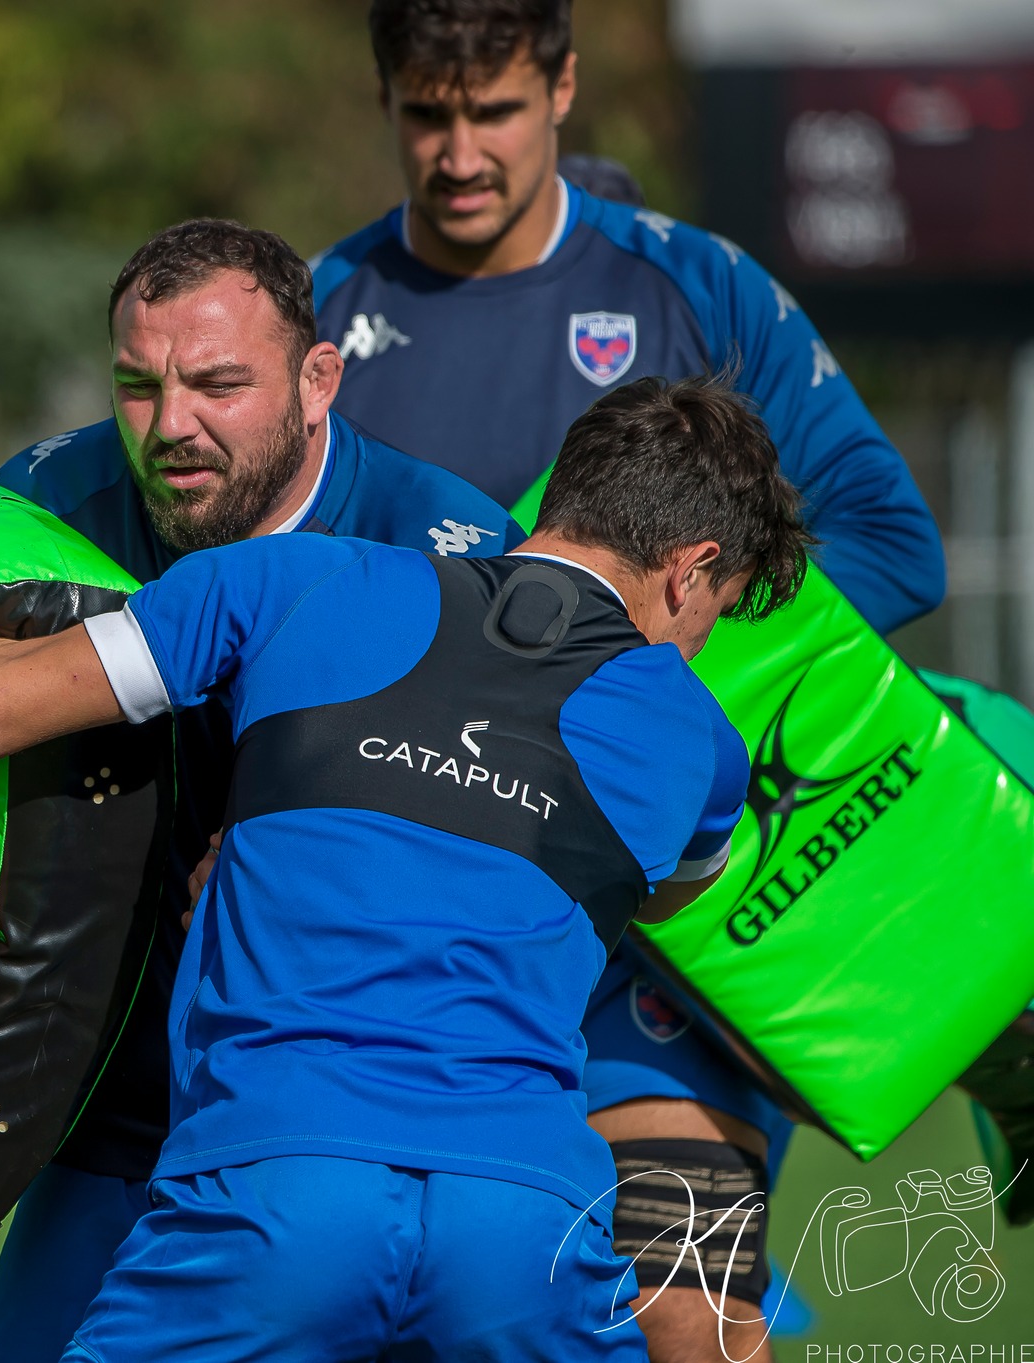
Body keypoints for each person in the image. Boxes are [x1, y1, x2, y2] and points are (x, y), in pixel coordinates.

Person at [0, 374, 812, 1362]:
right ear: (691, 571)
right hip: (522, 1225)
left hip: (277, 1188)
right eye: (716, 612)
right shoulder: (702, 746)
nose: (694, 640)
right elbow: (664, 886)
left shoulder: (290, 579)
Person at [307, 3, 948, 1356]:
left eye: (496, 110)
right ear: (387, 102)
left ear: (563, 87)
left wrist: (663, 709)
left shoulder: (695, 290)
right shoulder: (323, 323)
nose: (461, 151)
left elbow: (893, 547)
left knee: (692, 1325)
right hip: (424, 941)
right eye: (429, 113)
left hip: (664, 937)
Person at [0, 217, 524, 1363]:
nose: (170, 425)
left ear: (317, 379)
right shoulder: (39, 505)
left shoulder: (451, 551)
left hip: (363, 1123)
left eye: (217, 383)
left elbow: (519, 841)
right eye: (138, 385)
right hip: (112, 1108)